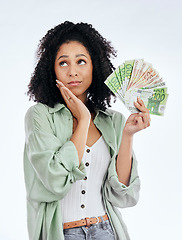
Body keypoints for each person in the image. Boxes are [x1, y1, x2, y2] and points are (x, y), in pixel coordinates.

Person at [24, 21, 151, 240]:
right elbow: (54, 181)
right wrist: (83, 120)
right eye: (63, 63)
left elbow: (123, 196)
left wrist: (128, 134)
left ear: (95, 66)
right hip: (62, 232)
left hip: (106, 230)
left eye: (81, 61)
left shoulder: (114, 121)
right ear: (51, 69)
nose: (72, 72)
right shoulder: (40, 116)